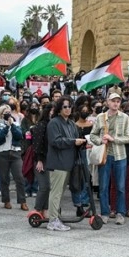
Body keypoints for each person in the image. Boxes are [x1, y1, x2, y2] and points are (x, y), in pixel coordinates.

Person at [89, 93, 129, 225]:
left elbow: (128, 137)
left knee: (120, 186)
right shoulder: (100, 118)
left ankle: (120, 213)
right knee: (103, 186)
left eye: (118, 101)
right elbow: (92, 135)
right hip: (105, 155)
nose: (116, 103)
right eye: (113, 101)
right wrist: (100, 140)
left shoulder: (125, 118)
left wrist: (114, 139)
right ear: (108, 102)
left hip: (120, 156)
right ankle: (105, 213)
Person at [46, 96, 86, 231]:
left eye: (69, 106)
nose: (68, 109)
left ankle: (56, 217)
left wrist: (82, 144)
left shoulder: (70, 123)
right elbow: (55, 141)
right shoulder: (54, 123)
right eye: (65, 106)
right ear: (59, 108)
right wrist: (73, 142)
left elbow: (74, 139)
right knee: (56, 193)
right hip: (58, 163)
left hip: (68, 163)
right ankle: (52, 220)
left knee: (60, 193)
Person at [0, 104, 28, 211]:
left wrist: (11, 125)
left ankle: (22, 201)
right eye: (5, 113)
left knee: (19, 177)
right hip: (2, 153)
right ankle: (6, 200)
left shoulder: (16, 123)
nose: (8, 115)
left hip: (15, 153)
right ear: (1, 114)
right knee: (4, 178)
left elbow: (19, 136)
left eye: (9, 113)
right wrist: (6, 126)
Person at [32, 104, 53, 219]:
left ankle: (45, 210)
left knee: (48, 187)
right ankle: (37, 209)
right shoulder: (41, 125)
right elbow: (37, 145)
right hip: (41, 160)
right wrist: (39, 160)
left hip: (50, 159)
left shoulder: (52, 125)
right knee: (44, 186)